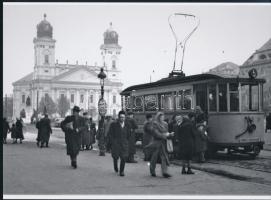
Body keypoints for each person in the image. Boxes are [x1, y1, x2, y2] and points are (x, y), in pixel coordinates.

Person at [144, 112, 173, 178]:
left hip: (163, 143)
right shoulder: (155, 124)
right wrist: (166, 135)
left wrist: (170, 134)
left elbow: (166, 132)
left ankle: (164, 172)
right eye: (161, 117)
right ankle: (152, 171)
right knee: (154, 158)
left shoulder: (165, 124)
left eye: (163, 117)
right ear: (158, 117)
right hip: (156, 143)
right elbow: (156, 134)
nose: (162, 118)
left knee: (164, 158)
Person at [108, 110, 131, 176]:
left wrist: (126, 141)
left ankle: (122, 171)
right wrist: (113, 142)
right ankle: (115, 165)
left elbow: (129, 134)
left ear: (125, 118)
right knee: (115, 157)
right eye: (121, 117)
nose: (122, 119)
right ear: (118, 117)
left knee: (123, 157)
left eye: (123, 117)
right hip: (116, 144)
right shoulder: (113, 124)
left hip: (124, 144)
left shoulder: (127, 125)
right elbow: (110, 134)